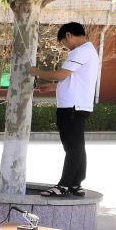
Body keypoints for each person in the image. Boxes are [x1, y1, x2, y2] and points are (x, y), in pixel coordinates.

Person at [32, 22, 100, 198]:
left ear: (68, 35)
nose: (65, 46)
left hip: (72, 107)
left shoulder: (80, 51)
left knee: (73, 147)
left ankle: (63, 186)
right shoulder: (89, 51)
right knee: (77, 146)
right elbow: (74, 80)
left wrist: (36, 71)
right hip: (78, 105)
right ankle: (76, 184)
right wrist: (53, 87)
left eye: (63, 42)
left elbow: (61, 74)